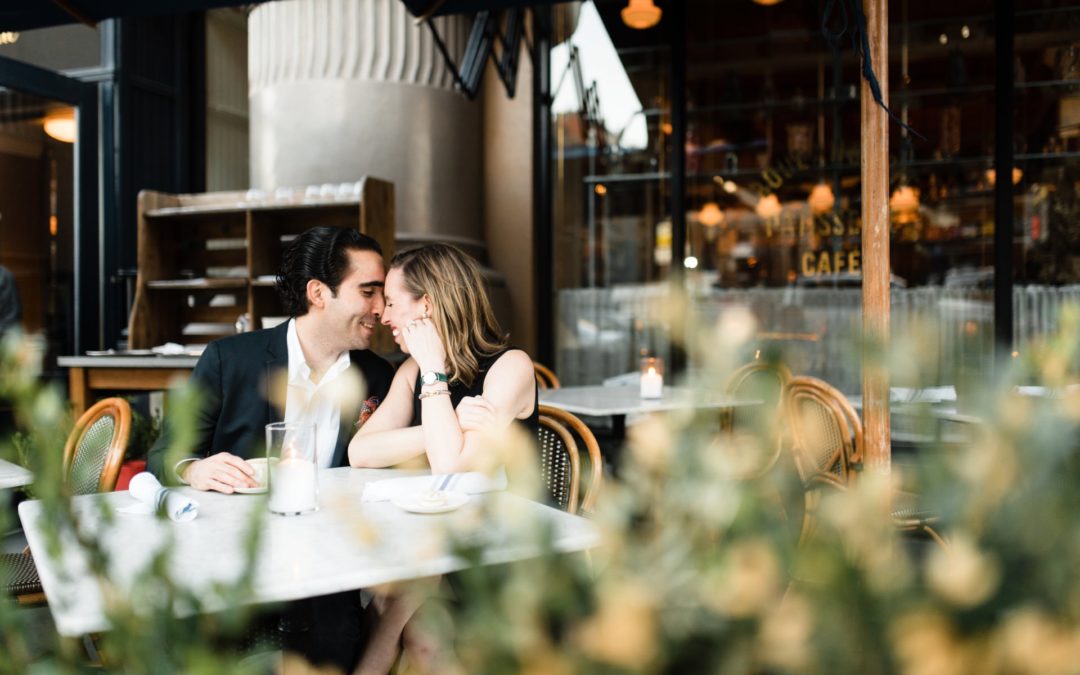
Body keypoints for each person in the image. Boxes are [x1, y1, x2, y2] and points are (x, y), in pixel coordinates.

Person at [146, 225, 395, 672]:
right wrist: (194, 469)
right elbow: (164, 453)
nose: (381, 307)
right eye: (369, 291)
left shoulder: (380, 377)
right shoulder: (229, 359)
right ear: (319, 292)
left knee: (334, 632)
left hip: (330, 561)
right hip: (235, 555)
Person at [347, 243, 537, 674]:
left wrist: (434, 370)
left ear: (427, 305)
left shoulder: (510, 367)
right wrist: (446, 422)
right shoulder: (409, 372)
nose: (385, 316)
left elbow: (450, 465)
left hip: (502, 549)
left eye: (393, 303)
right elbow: (361, 452)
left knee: (409, 610)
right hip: (433, 540)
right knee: (405, 601)